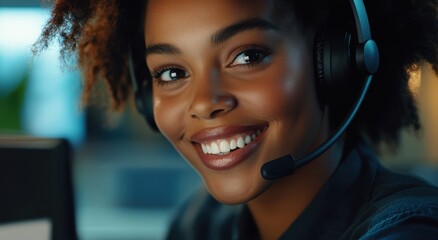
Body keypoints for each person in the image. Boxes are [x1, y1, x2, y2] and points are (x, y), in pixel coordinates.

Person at [33, 0, 438, 239]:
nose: (205, 103)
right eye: (172, 73)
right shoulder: (202, 224)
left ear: (333, 62)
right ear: (146, 95)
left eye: (247, 56)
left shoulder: (405, 230)